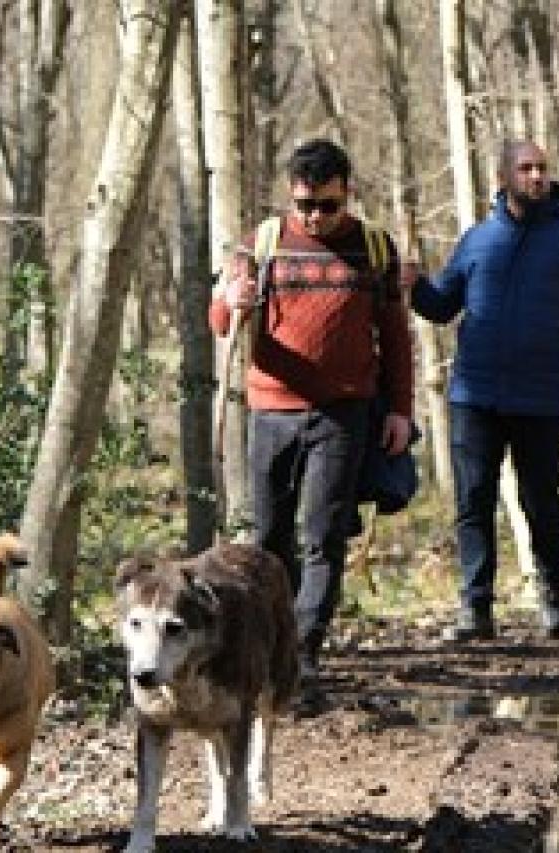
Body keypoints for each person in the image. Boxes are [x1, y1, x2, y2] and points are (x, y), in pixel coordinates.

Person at [211, 138, 413, 679]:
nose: (316, 217)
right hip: (271, 411)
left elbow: (395, 336)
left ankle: (305, 648)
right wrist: (232, 300)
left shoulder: (374, 249)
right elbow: (220, 320)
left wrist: (400, 409)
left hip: (343, 412)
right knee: (270, 537)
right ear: (290, 196)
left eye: (328, 205)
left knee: (324, 534)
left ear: (348, 194)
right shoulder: (262, 245)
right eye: (305, 205)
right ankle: (272, 642)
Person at [405, 139, 559, 641]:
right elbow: (441, 306)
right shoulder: (478, 240)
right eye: (525, 168)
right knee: (473, 500)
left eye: (542, 168)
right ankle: (475, 606)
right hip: (474, 394)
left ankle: (553, 591)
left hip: (542, 397)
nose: (536, 177)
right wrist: (414, 285)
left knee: (540, 499)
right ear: (503, 177)